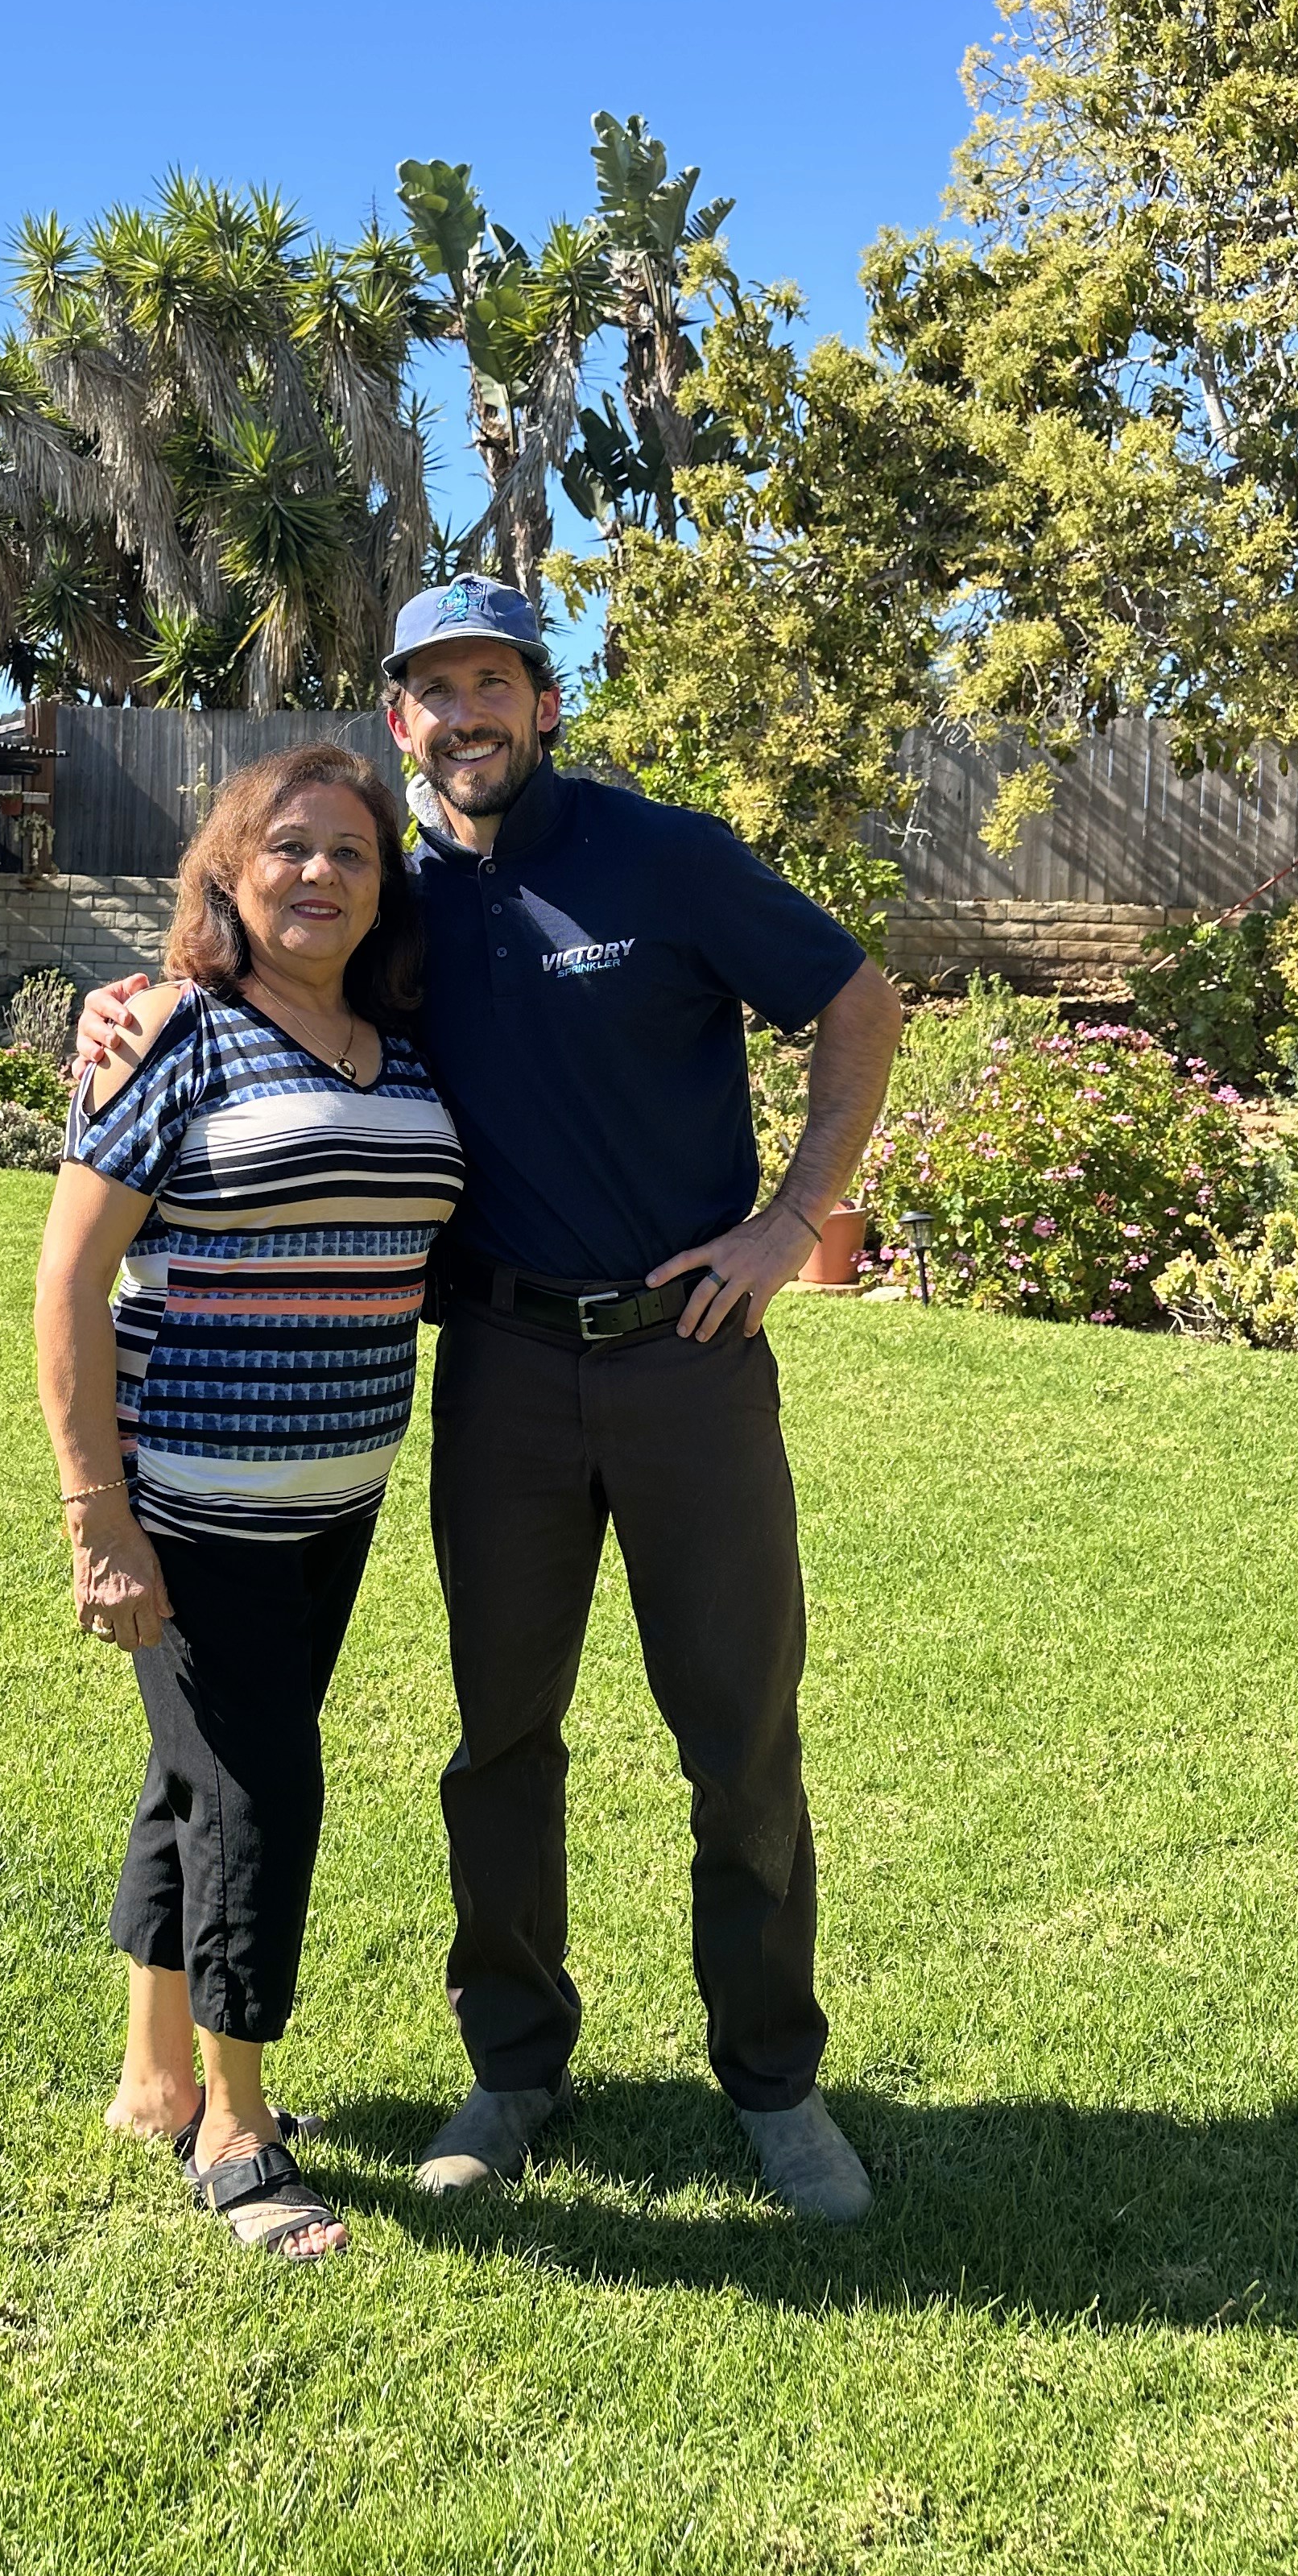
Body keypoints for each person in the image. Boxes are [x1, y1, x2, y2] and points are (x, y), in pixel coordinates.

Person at [77, 577, 905, 2223]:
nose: (465, 715)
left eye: (492, 682)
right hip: (504, 1372)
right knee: (502, 1739)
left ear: (544, 699)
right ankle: (516, 2064)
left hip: (689, 1361)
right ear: (402, 719)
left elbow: (859, 1002)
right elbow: (259, 960)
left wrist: (789, 1223)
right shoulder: (397, 900)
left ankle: (775, 2080)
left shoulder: (662, 857)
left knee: (740, 1733)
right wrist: (138, 998)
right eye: (434, 690)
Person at [35, 743, 463, 2263]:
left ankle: (153, 2080)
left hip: (336, 1501)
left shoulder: (401, 1050)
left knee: (198, 1776)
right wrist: (99, 1514)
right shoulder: (173, 1036)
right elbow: (70, 1281)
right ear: (228, 871)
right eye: (288, 847)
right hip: (191, 1503)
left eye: (352, 852)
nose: (320, 874)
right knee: (259, 1793)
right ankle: (235, 2123)